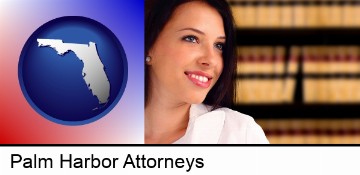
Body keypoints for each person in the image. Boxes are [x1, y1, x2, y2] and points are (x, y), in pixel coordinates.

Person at [145, 0, 269, 144]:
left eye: (219, 45)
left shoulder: (240, 134)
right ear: (148, 46)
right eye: (191, 38)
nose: (211, 60)